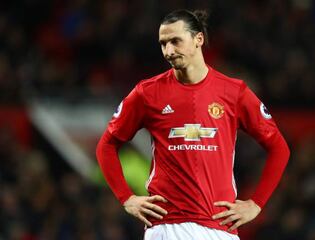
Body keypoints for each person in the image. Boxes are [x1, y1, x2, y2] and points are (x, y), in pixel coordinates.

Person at [96, 9, 290, 240]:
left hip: (220, 227)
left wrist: (256, 204)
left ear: (198, 39)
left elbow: (279, 148)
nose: (168, 51)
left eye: (175, 41)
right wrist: (126, 198)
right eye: (163, 44)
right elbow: (106, 145)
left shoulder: (233, 92)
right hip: (168, 226)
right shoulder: (147, 93)